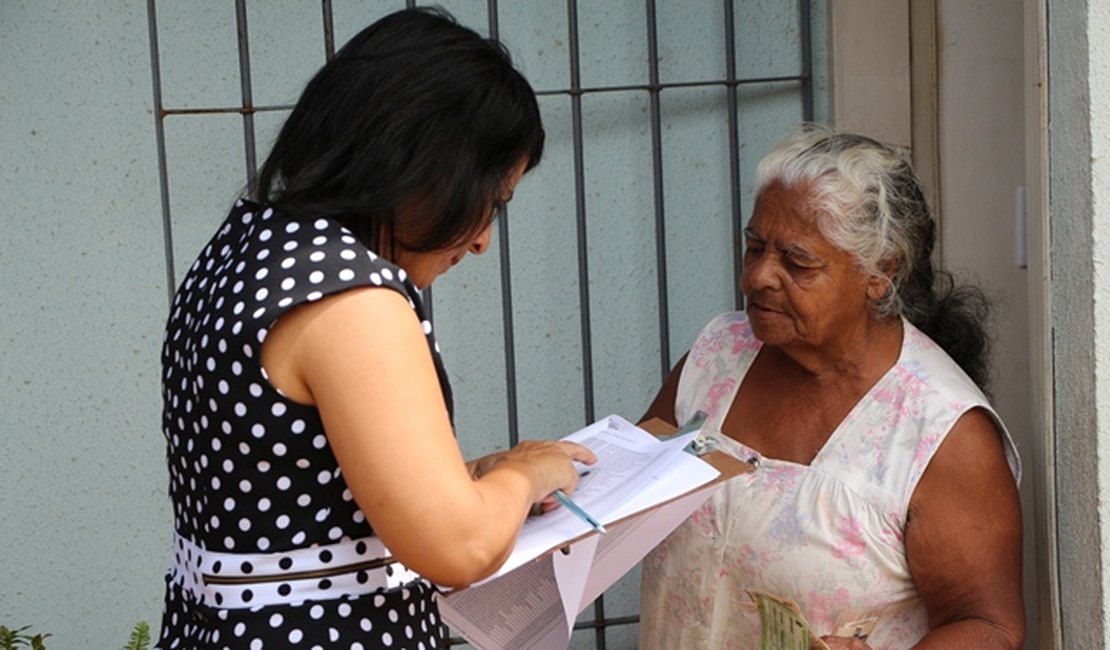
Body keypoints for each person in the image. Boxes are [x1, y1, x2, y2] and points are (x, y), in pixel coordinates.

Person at [155, 8, 595, 649]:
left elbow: (298, 507)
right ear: (427, 164)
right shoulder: (350, 297)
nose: (480, 241)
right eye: (491, 201)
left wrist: (472, 478)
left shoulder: (243, 249)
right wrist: (527, 473)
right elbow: (459, 546)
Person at [638, 126, 1025, 649]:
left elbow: (991, 626)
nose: (759, 277)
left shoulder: (943, 434)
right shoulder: (717, 356)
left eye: (797, 263)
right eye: (754, 248)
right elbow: (629, 483)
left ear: (880, 272)